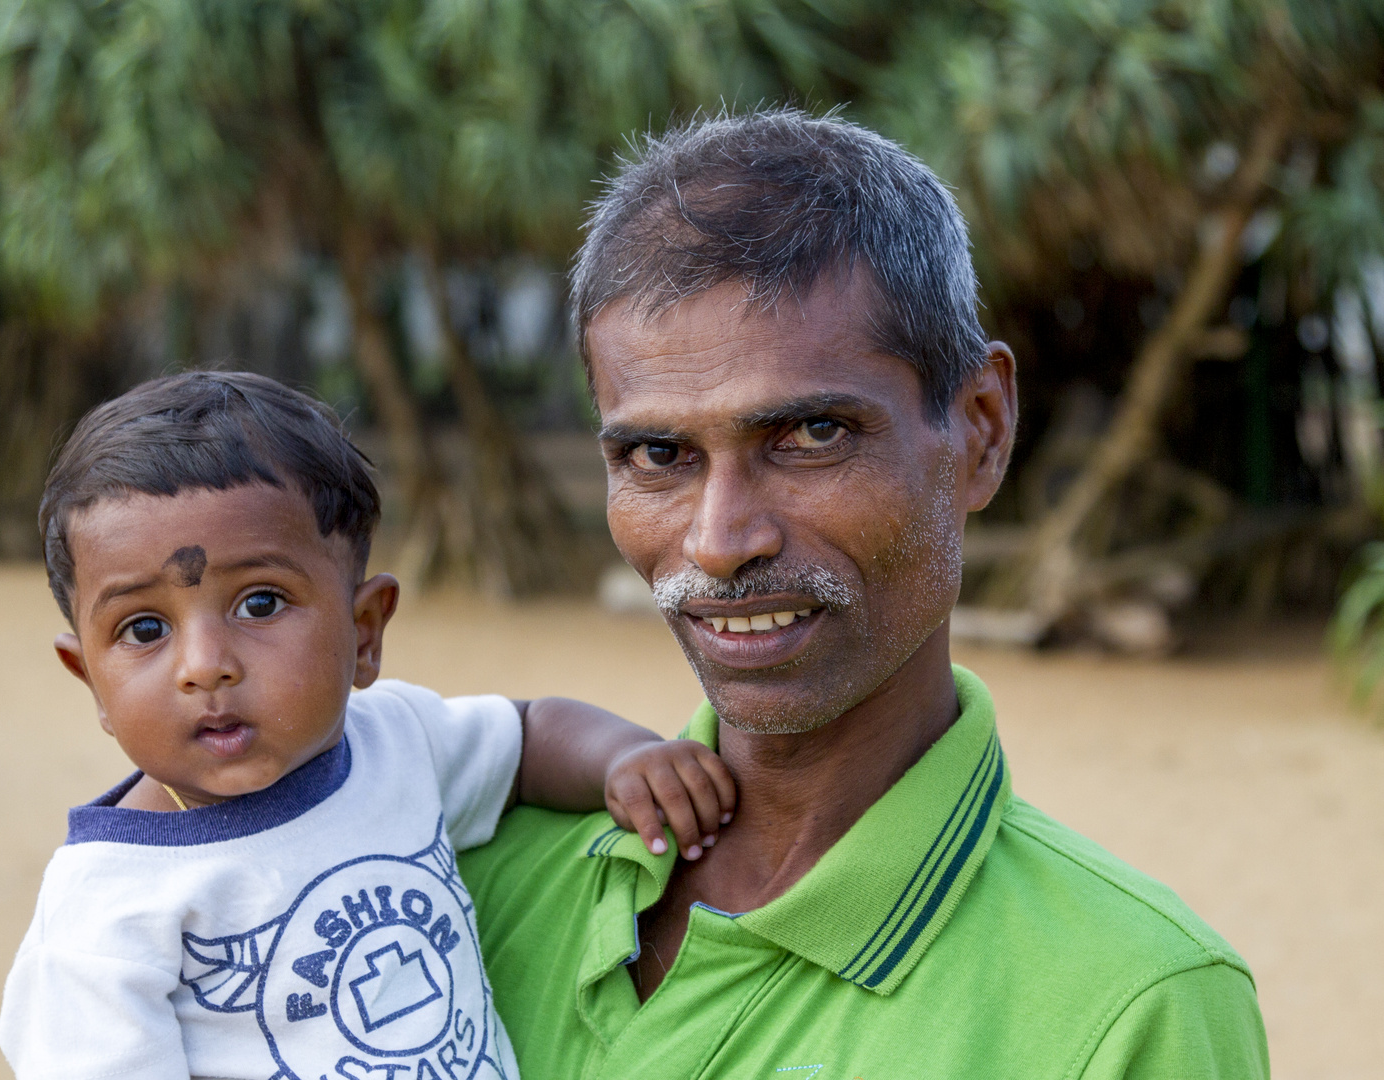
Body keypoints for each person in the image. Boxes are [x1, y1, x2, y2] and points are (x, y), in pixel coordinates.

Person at [457, 108, 1269, 1078]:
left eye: (810, 437)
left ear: (980, 430)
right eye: (657, 454)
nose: (719, 543)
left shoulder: (1131, 1006)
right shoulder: (460, 881)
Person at [0, 372, 735, 1080]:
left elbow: (529, 735)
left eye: (258, 604)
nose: (204, 666)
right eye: (144, 627)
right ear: (91, 680)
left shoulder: (395, 739)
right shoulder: (105, 916)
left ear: (365, 632)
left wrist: (626, 759)